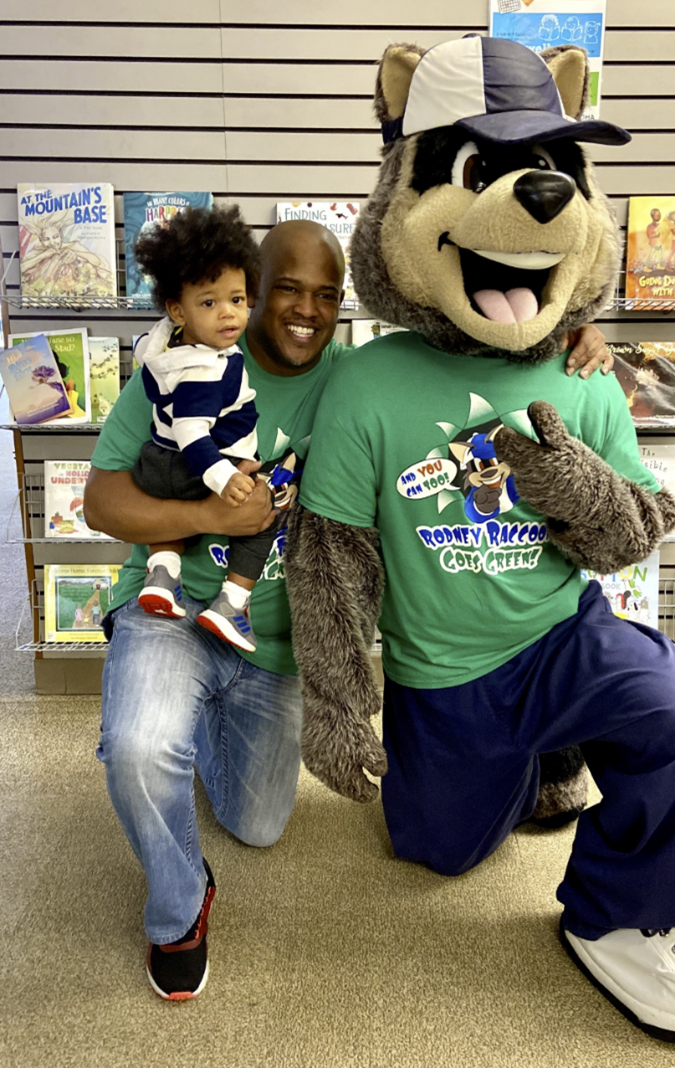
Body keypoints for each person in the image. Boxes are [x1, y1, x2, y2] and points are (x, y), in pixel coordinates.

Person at [83, 218, 614, 1001]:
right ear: (250, 290)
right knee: (136, 746)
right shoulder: (183, 364)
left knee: (258, 823)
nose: (306, 309)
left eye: (326, 295)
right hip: (178, 609)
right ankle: (178, 906)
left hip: (275, 646)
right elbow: (100, 501)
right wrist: (212, 518)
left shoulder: (355, 375)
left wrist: (568, 326)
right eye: (286, 289)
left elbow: (463, 350)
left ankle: (184, 727)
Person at [130, 204, 275, 653]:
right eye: (208, 303)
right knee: (262, 519)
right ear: (179, 309)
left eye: (236, 299)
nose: (228, 314)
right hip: (200, 463)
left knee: (169, 506)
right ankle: (231, 603)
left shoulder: (163, 346)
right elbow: (193, 429)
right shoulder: (209, 366)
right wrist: (224, 477)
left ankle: (163, 571)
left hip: (157, 462)